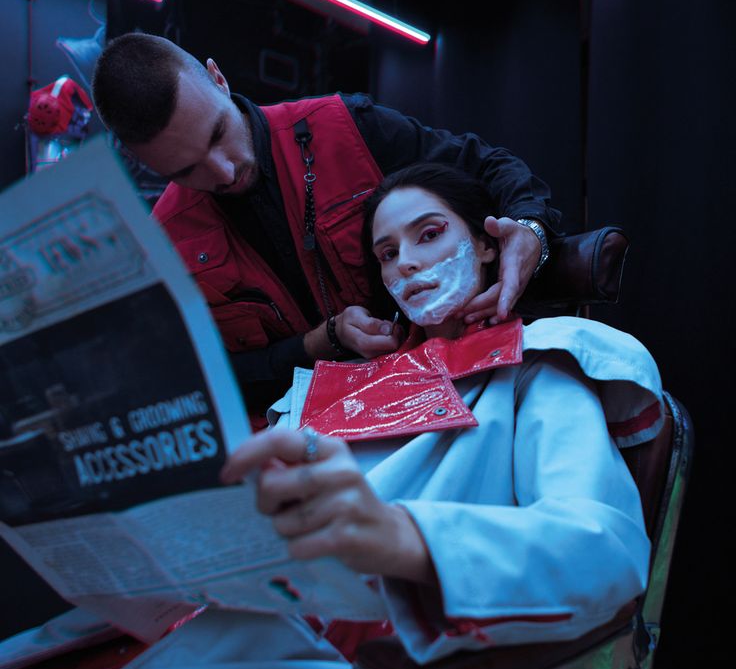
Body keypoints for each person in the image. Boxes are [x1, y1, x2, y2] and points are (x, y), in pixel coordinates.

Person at [0, 165, 662, 669]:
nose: (407, 263)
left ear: (487, 248)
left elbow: (608, 547)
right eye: (386, 254)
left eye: (429, 235)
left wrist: (405, 539)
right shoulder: (339, 390)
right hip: (227, 642)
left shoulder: (540, 369)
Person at [91, 32, 561, 422]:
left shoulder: (343, 128)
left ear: (218, 79)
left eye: (217, 134)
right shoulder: (165, 243)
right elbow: (200, 383)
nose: (223, 172)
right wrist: (315, 345)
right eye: (185, 170)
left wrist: (530, 231)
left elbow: (489, 165)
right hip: (300, 437)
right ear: (144, 164)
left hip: (436, 382)